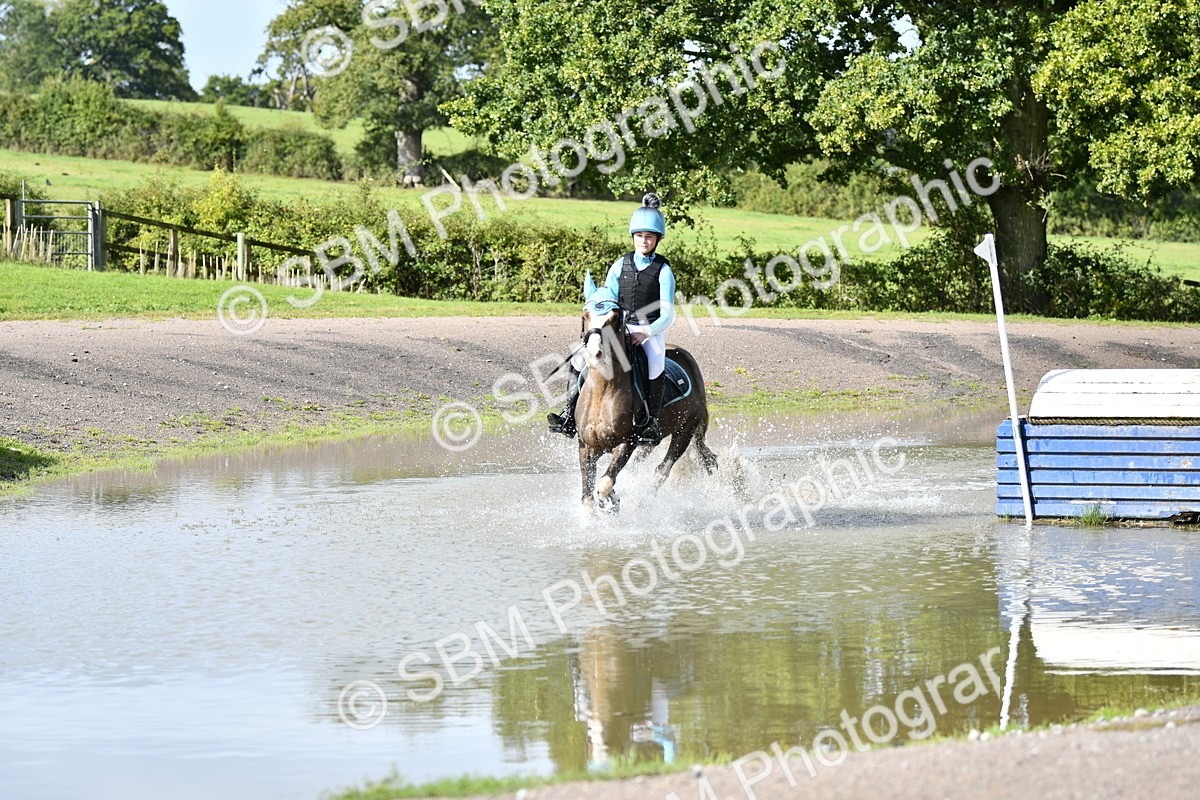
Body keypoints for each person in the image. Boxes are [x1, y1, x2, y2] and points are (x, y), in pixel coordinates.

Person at [548, 193, 676, 444]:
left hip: (648, 329)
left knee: (656, 361)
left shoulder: (664, 270)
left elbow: (669, 314)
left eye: (649, 237)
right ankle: (569, 417)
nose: (644, 241)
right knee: (577, 359)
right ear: (633, 237)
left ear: (657, 239)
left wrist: (646, 332)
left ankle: (649, 423)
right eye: (639, 236)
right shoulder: (620, 265)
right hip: (617, 326)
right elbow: (607, 298)